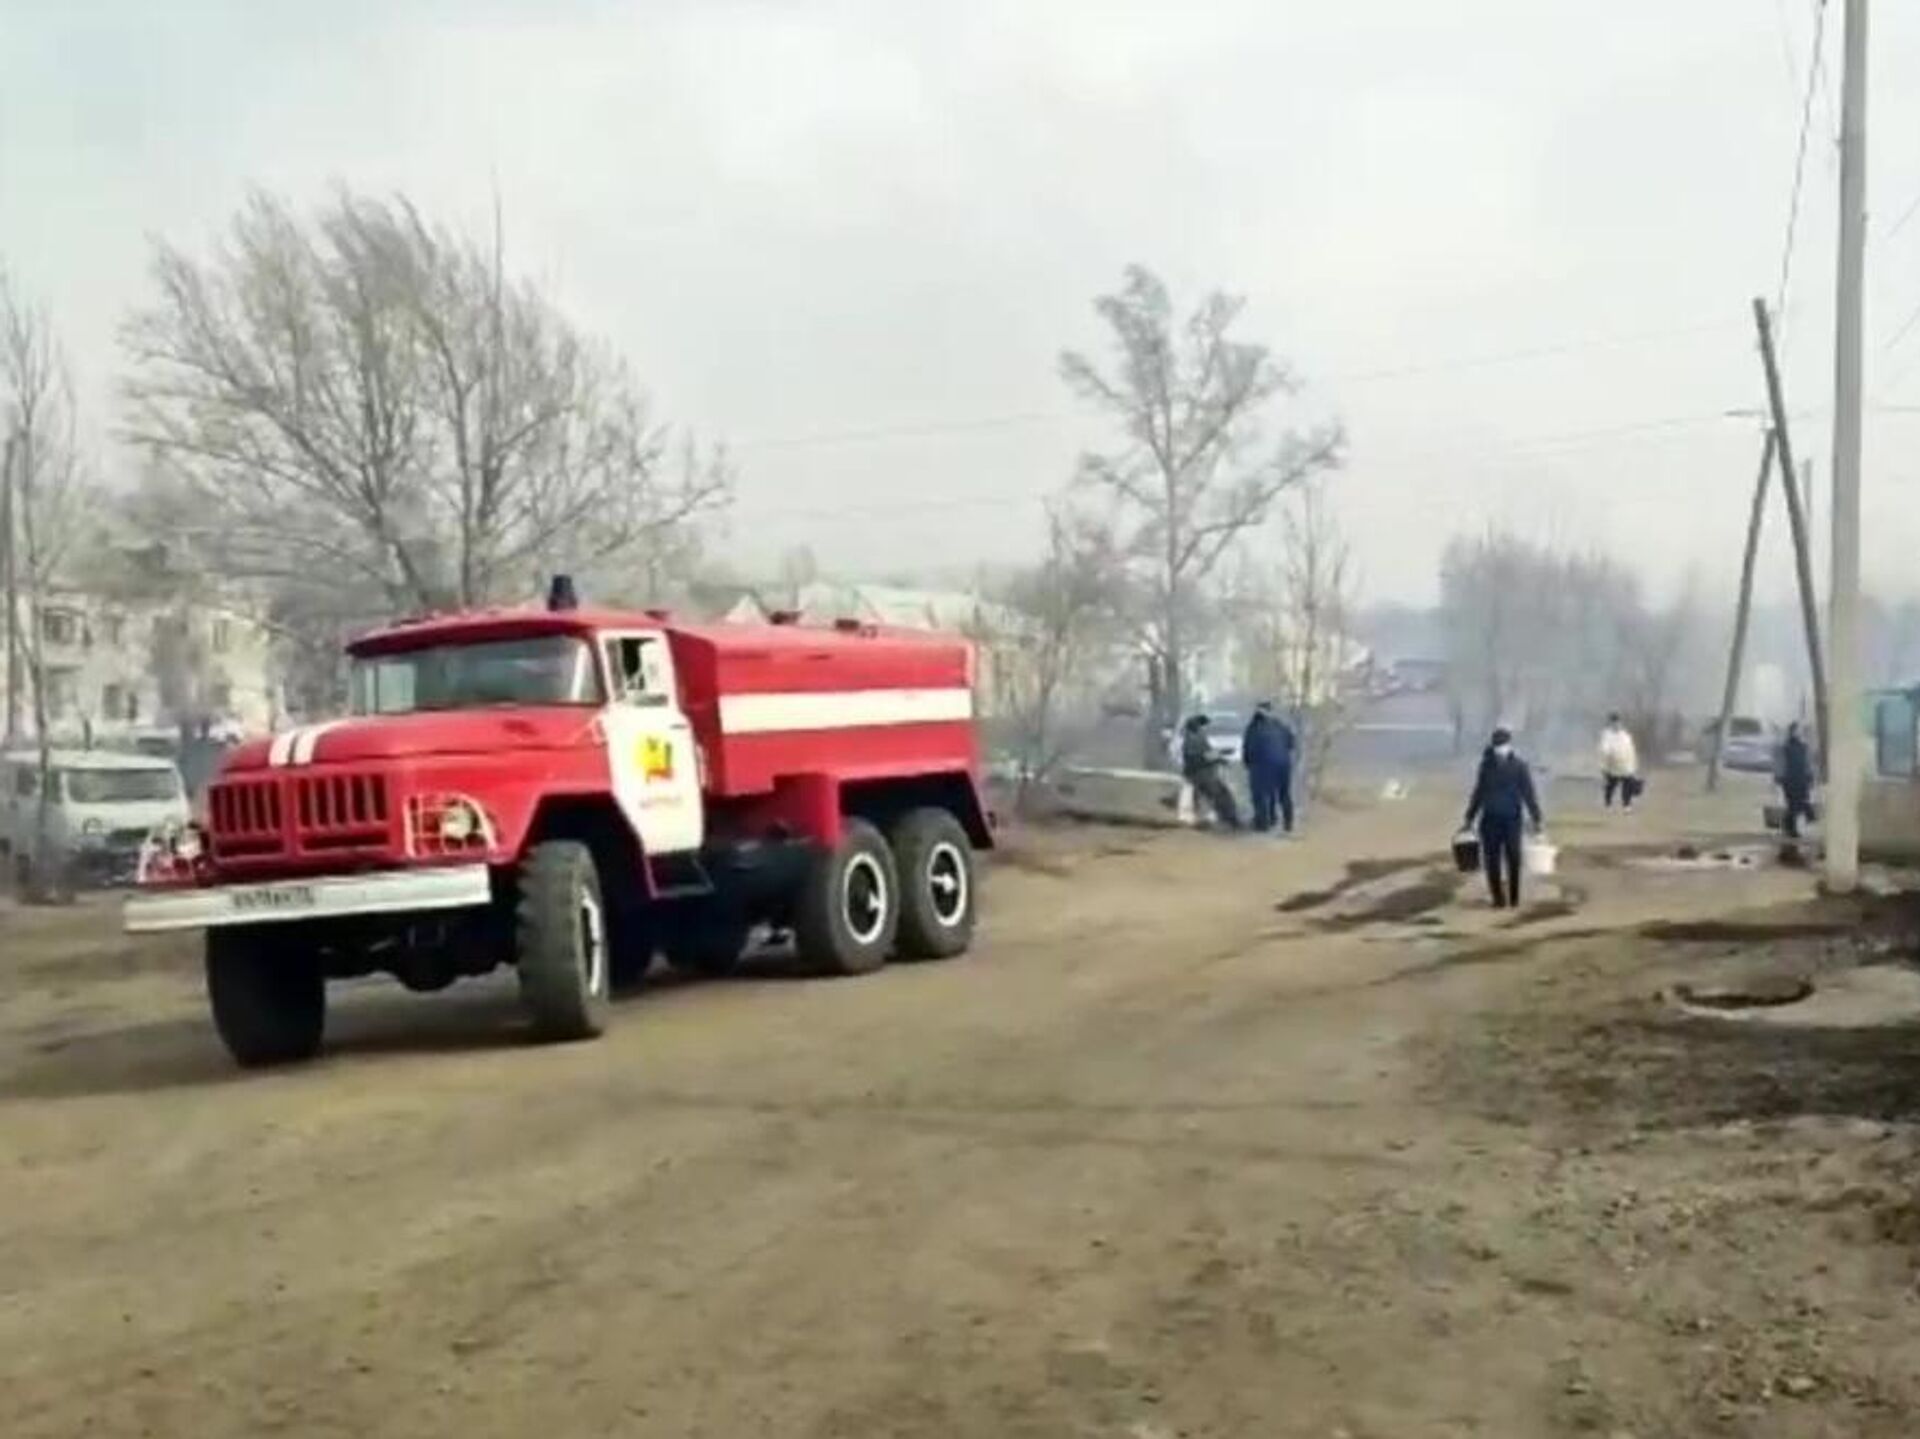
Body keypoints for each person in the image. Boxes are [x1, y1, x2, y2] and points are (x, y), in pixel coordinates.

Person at [1463, 726, 1544, 909]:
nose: (1501, 748)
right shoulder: (1486, 766)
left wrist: (1536, 818)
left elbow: (1528, 794)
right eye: (1498, 744)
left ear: (1509, 745)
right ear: (1493, 746)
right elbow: (1479, 792)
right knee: (1492, 861)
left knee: (1514, 858)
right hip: (1490, 820)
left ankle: (1514, 898)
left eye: (1503, 744)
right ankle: (1498, 899)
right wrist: (1469, 817)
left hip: (1512, 820)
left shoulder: (1519, 766)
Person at [1181, 714, 1241, 830]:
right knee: (1222, 795)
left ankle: (1227, 819)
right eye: (1202, 725)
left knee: (1221, 794)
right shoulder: (1193, 739)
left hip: (1203, 773)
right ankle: (1231, 820)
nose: (1204, 728)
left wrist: (1221, 754)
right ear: (1196, 726)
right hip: (1200, 774)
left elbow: (1207, 754)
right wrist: (1219, 757)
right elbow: (1200, 758)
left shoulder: (1195, 737)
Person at [1777, 721, 1815, 839]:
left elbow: (1808, 763)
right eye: (1795, 730)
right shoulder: (1785, 747)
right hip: (1790, 778)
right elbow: (1781, 763)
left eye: (1799, 731)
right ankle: (1792, 828)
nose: (1797, 733)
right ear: (1791, 732)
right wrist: (1780, 776)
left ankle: (1791, 825)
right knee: (1793, 804)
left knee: (1801, 802)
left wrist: (1810, 775)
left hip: (1801, 778)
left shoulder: (1804, 747)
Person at [1598, 713, 1640, 809]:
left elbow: (1631, 749)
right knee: (1611, 786)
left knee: (1627, 786)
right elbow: (1604, 750)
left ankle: (1627, 805)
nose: (1616, 724)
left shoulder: (1625, 735)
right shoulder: (1606, 735)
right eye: (1614, 722)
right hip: (1613, 766)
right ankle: (1608, 803)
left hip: (1626, 766)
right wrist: (1604, 766)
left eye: (1618, 722)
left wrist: (1634, 764)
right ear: (1610, 723)